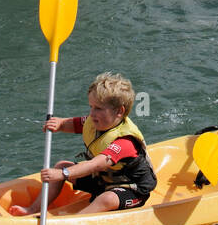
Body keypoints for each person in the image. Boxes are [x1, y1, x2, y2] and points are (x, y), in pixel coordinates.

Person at [8, 72, 156, 216]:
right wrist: (59, 124)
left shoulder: (125, 141)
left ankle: (75, 222)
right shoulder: (95, 121)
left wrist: (62, 175)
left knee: (107, 199)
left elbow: (96, 164)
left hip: (131, 188)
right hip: (103, 180)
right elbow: (75, 124)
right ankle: (33, 209)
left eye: (98, 108)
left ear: (119, 111)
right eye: (91, 106)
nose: (92, 113)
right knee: (62, 165)